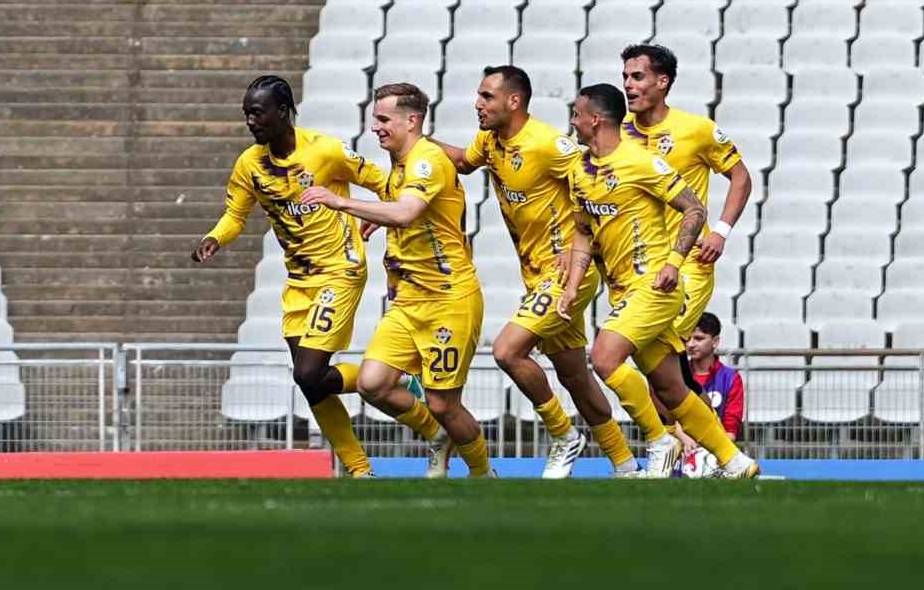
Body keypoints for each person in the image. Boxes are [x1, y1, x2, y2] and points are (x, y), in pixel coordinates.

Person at [432, 65, 639, 478]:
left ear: (514, 101)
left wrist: (581, 246)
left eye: (487, 96)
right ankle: (625, 462)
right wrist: (417, 140)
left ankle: (563, 435)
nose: (478, 104)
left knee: (507, 351)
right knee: (574, 375)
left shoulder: (547, 144)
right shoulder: (489, 141)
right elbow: (464, 162)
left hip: (565, 274)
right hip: (536, 275)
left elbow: (596, 178)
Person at [557, 84, 758, 480]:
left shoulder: (642, 162)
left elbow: (694, 209)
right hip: (622, 289)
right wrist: (572, 286)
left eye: (576, 115)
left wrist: (674, 262)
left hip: (655, 286)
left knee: (604, 358)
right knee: (671, 389)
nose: (572, 122)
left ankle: (659, 439)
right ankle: (735, 462)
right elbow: (582, 231)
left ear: (595, 119)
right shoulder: (578, 170)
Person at [192, 75, 389, 478]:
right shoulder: (250, 165)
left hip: (341, 268)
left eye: (257, 112)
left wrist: (380, 217)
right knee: (311, 383)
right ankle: (359, 468)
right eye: (246, 114)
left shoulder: (325, 151)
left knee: (308, 372)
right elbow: (235, 215)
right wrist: (214, 238)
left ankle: (389, 378)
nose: (250, 121)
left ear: (282, 112)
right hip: (298, 281)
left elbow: (383, 182)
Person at [299, 83, 495, 478]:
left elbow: (406, 213)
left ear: (412, 121)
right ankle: (437, 436)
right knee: (373, 383)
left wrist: (341, 201)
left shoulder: (426, 160)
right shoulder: (400, 165)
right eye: (375, 119)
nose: (375, 127)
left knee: (443, 403)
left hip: (448, 299)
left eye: (383, 119)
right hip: (409, 301)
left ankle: (482, 475)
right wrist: (382, 223)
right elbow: (407, 219)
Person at [675, 313, 744, 463]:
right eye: (688, 338)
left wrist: (708, 452)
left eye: (698, 338)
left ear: (715, 341)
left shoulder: (731, 378)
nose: (690, 344)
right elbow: (669, 420)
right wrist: (683, 438)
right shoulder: (676, 375)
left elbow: (731, 430)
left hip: (716, 455)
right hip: (680, 452)